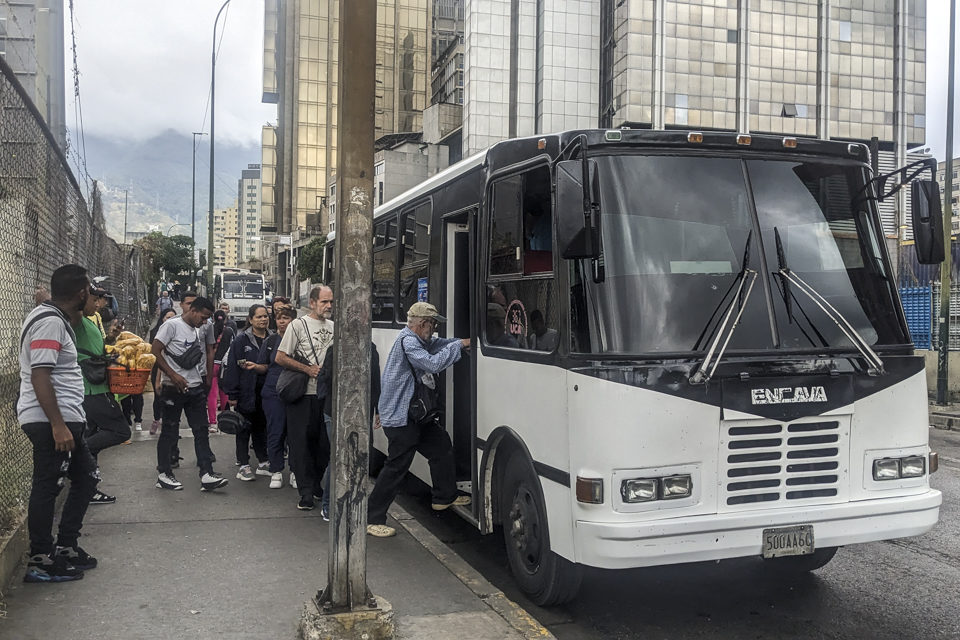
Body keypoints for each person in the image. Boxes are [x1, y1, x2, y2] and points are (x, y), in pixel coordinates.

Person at [18, 264, 99, 582]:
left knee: (86, 477)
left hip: (64, 417)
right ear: (81, 293)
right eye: (89, 290)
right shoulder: (50, 323)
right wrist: (57, 425)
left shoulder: (54, 317)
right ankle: (40, 559)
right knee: (48, 486)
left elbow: (74, 320)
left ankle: (65, 547)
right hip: (51, 420)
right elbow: (40, 374)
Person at [366, 301, 471, 537]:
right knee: (396, 468)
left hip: (414, 416)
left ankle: (444, 497)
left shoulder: (419, 339)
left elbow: (439, 344)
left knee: (441, 446)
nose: (434, 329)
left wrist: (461, 342)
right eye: (433, 324)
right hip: (402, 418)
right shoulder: (410, 342)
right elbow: (432, 363)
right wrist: (459, 346)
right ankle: (372, 518)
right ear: (423, 323)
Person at [151, 295, 228, 492]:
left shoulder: (196, 329)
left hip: (194, 387)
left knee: (201, 430)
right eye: (203, 317)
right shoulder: (171, 326)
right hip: (172, 388)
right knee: (169, 431)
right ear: (193, 310)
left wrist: (206, 378)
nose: (205, 322)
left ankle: (206, 473)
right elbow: (155, 350)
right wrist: (172, 375)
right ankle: (164, 473)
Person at [275, 285, 334, 511]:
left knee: (324, 446)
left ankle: (316, 484)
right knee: (301, 446)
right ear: (312, 302)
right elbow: (281, 357)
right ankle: (306, 492)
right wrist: (307, 369)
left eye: (331, 302)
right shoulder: (297, 326)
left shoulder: (334, 327)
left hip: (326, 396)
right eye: (324, 302)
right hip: (303, 395)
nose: (328, 306)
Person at [76, 285, 131, 505]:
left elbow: (98, 349)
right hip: (91, 389)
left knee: (94, 434)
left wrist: (110, 338)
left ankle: (88, 487)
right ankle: (77, 453)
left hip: (97, 386)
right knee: (120, 431)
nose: (100, 304)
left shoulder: (91, 321)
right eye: (96, 299)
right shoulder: (77, 320)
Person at [318, 340, 381, 521]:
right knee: (339, 457)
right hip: (337, 411)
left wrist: (378, 409)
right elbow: (328, 378)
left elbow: (375, 381)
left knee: (357, 458)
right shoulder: (335, 348)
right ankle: (329, 504)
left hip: (360, 411)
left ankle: (351, 503)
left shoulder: (370, 348)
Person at [222, 304, 272, 481]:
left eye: (265, 316)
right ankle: (243, 465)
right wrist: (232, 394)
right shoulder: (241, 341)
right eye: (259, 317)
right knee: (243, 428)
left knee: (261, 428)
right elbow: (232, 368)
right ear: (250, 319)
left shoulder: (273, 338)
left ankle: (263, 461)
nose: (263, 319)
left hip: (266, 393)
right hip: (245, 392)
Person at [254, 306, 296, 488]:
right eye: (279, 318)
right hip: (272, 392)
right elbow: (263, 365)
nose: (281, 321)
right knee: (275, 431)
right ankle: (276, 470)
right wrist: (254, 367)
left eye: (285, 318)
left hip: (295, 391)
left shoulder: (299, 339)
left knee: (295, 433)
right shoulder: (270, 341)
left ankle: (295, 471)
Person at [147, 309, 177, 435]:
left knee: (172, 397)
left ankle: (170, 424)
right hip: (158, 367)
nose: (170, 320)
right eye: (168, 317)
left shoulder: (177, 332)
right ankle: (156, 420)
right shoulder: (156, 333)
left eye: (173, 317)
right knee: (158, 396)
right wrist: (158, 378)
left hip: (173, 368)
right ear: (162, 318)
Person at [207, 310, 235, 432]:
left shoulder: (209, 330)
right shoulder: (229, 331)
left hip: (211, 365)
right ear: (225, 319)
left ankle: (213, 422)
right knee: (224, 393)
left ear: (213, 318)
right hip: (224, 365)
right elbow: (233, 347)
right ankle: (225, 419)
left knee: (212, 394)